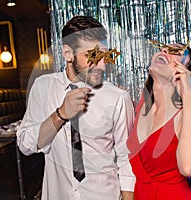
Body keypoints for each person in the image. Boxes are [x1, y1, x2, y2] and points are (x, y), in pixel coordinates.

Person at [16, 16, 135, 200]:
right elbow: (25, 145)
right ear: (68, 53)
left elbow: (126, 161)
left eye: (104, 55)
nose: (102, 65)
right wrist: (60, 114)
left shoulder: (118, 98)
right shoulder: (42, 87)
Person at [126, 42, 191, 199]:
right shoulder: (138, 108)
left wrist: (187, 95)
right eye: (163, 48)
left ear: (186, 71)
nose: (164, 50)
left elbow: (190, 168)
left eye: (176, 51)